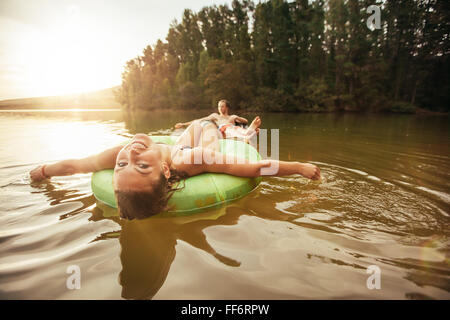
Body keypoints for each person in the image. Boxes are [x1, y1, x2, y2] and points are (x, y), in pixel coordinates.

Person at [30, 120, 321, 220]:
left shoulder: (120, 156)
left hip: (178, 145)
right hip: (198, 146)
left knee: (194, 128)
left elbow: (74, 165)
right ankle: (231, 132)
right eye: (140, 166)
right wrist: (298, 167)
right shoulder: (192, 161)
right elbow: (252, 167)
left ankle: (219, 127)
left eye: (123, 165)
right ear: (166, 171)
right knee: (205, 129)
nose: (129, 154)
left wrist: (44, 170)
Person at [174, 99, 260, 142]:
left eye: (222, 106)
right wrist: (183, 124)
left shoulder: (232, 117)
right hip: (222, 131)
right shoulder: (215, 116)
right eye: (219, 106)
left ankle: (248, 134)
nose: (220, 108)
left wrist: (237, 118)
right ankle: (249, 133)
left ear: (227, 107)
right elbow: (199, 120)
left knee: (235, 129)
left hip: (232, 130)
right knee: (230, 128)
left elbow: (245, 121)